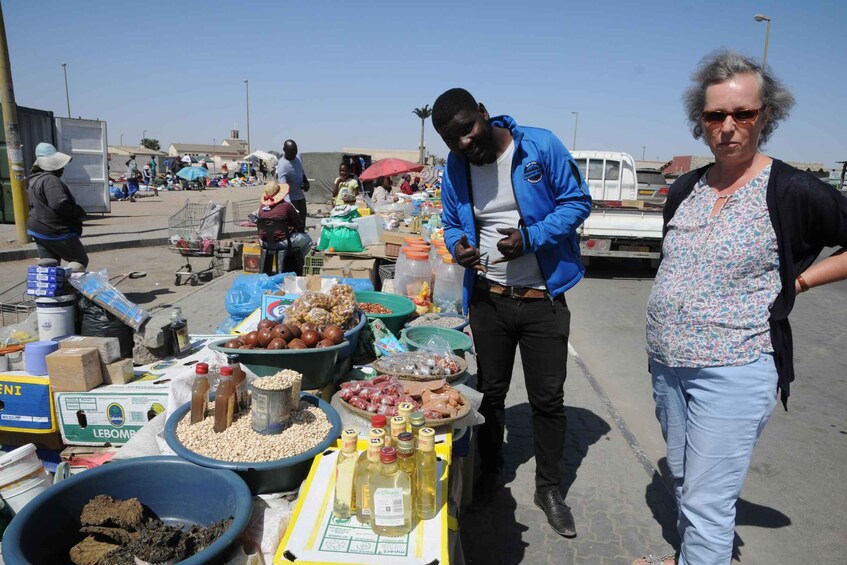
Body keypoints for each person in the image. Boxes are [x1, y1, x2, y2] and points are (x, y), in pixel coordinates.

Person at [637, 50, 847, 565]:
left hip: (734, 367)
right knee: (687, 480)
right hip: (668, 364)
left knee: (708, 500)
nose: (728, 127)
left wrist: (799, 279)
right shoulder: (687, 187)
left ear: (765, 116)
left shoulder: (793, 189)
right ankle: (697, 556)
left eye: (743, 114)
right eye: (715, 116)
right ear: (700, 121)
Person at [433, 88, 591, 537]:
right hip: (490, 299)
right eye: (452, 138)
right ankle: (490, 476)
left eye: (468, 128)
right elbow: (450, 221)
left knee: (548, 400)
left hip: (543, 300)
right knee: (490, 394)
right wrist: (457, 246)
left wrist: (532, 237)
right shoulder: (456, 166)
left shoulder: (539, 146)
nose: (464, 142)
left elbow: (578, 202)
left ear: (484, 114)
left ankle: (549, 488)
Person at [25, 142, 89, 269]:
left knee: (50, 264)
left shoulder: (34, 180)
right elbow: (59, 204)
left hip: (38, 230)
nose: (63, 168)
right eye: (60, 166)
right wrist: (78, 212)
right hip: (55, 231)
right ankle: (68, 285)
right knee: (80, 260)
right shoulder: (51, 180)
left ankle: (52, 287)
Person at [257, 180, 312, 273]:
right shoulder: (286, 206)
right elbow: (298, 224)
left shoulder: (261, 207)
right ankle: (302, 267)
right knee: (308, 240)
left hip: (264, 242)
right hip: (282, 241)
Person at [276, 139, 310, 232]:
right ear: (284, 150)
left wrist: (306, 182)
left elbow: (301, 171)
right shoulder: (282, 165)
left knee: (302, 222)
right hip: (291, 200)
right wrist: (290, 206)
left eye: (295, 151)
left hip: (300, 197)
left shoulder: (298, 156)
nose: (294, 154)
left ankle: (302, 240)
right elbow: (283, 188)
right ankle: (295, 243)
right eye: (291, 152)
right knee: (294, 225)